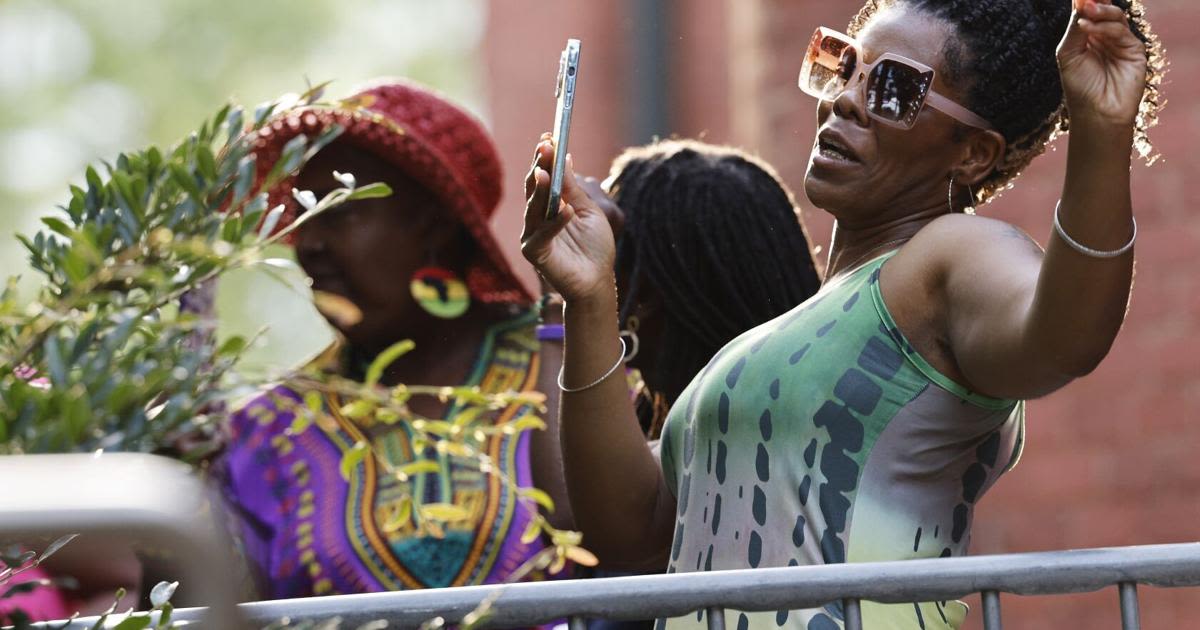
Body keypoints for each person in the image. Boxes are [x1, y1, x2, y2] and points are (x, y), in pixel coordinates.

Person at [520, 0, 1163, 627]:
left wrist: (1101, 138)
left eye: (892, 88)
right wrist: (586, 295)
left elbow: (1063, 340)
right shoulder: (793, 331)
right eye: (846, 65)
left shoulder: (947, 257)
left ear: (972, 154)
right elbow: (630, 527)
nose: (844, 99)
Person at [219, 79, 572, 599]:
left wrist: (567, 324)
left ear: (433, 224)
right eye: (300, 215)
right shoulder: (262, 431)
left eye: (337, 210)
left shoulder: (572, 367)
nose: (308, 241)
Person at [536, 140, 822, 630]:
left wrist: (570, 304)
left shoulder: (724, 443)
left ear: (642, 298)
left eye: (616, 258)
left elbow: (567, 519)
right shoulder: (807, 410)